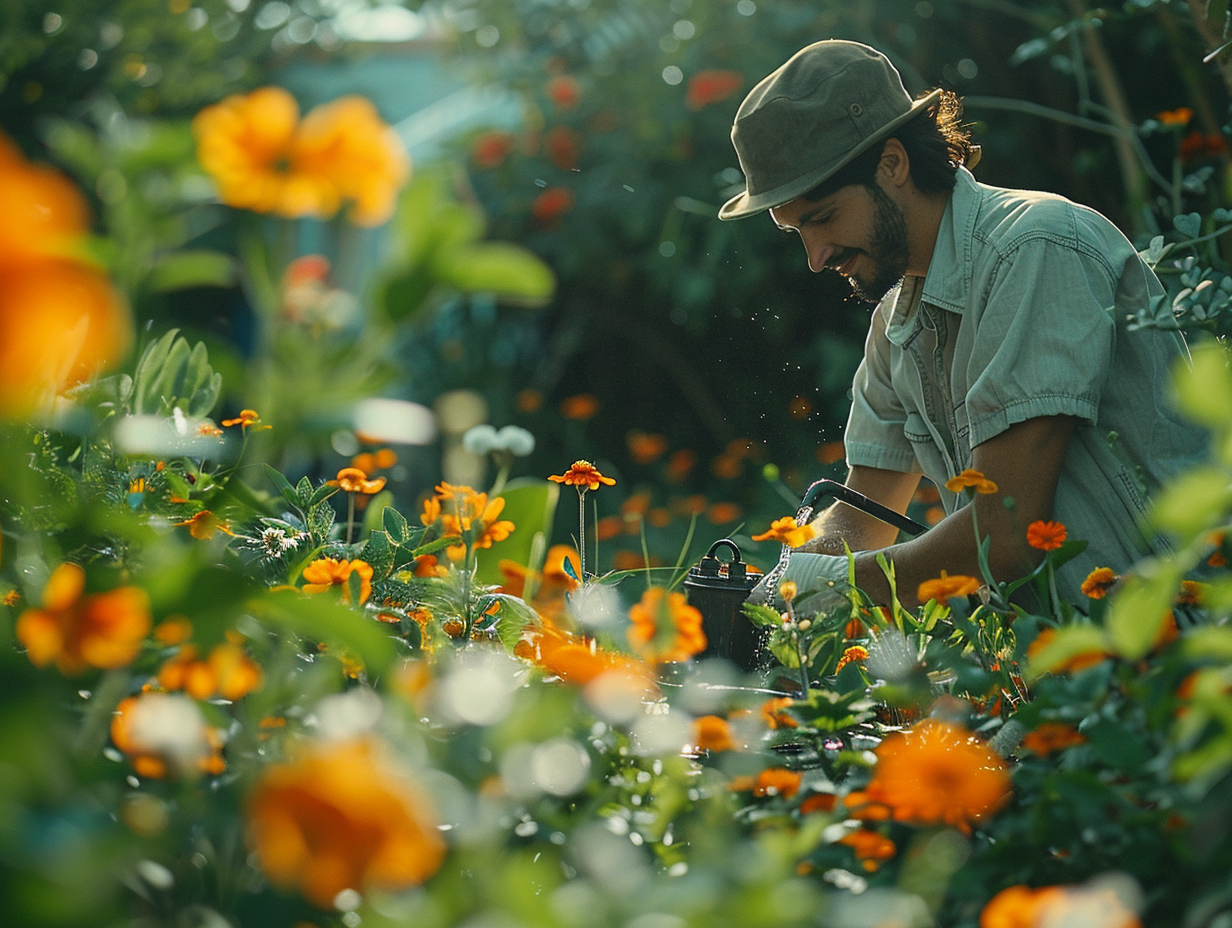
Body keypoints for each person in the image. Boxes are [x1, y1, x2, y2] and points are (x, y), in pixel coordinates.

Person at [719, 39, 1207, 608]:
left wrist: (844, 587)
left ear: (893, 163)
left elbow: (1006, 535)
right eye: (796, 231)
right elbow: (858, 519)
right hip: (1056, 669)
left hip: (1176, 656)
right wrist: (782, 594)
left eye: (823, 218)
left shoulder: (1036, 248)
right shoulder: (895, 328)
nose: (816, 256)